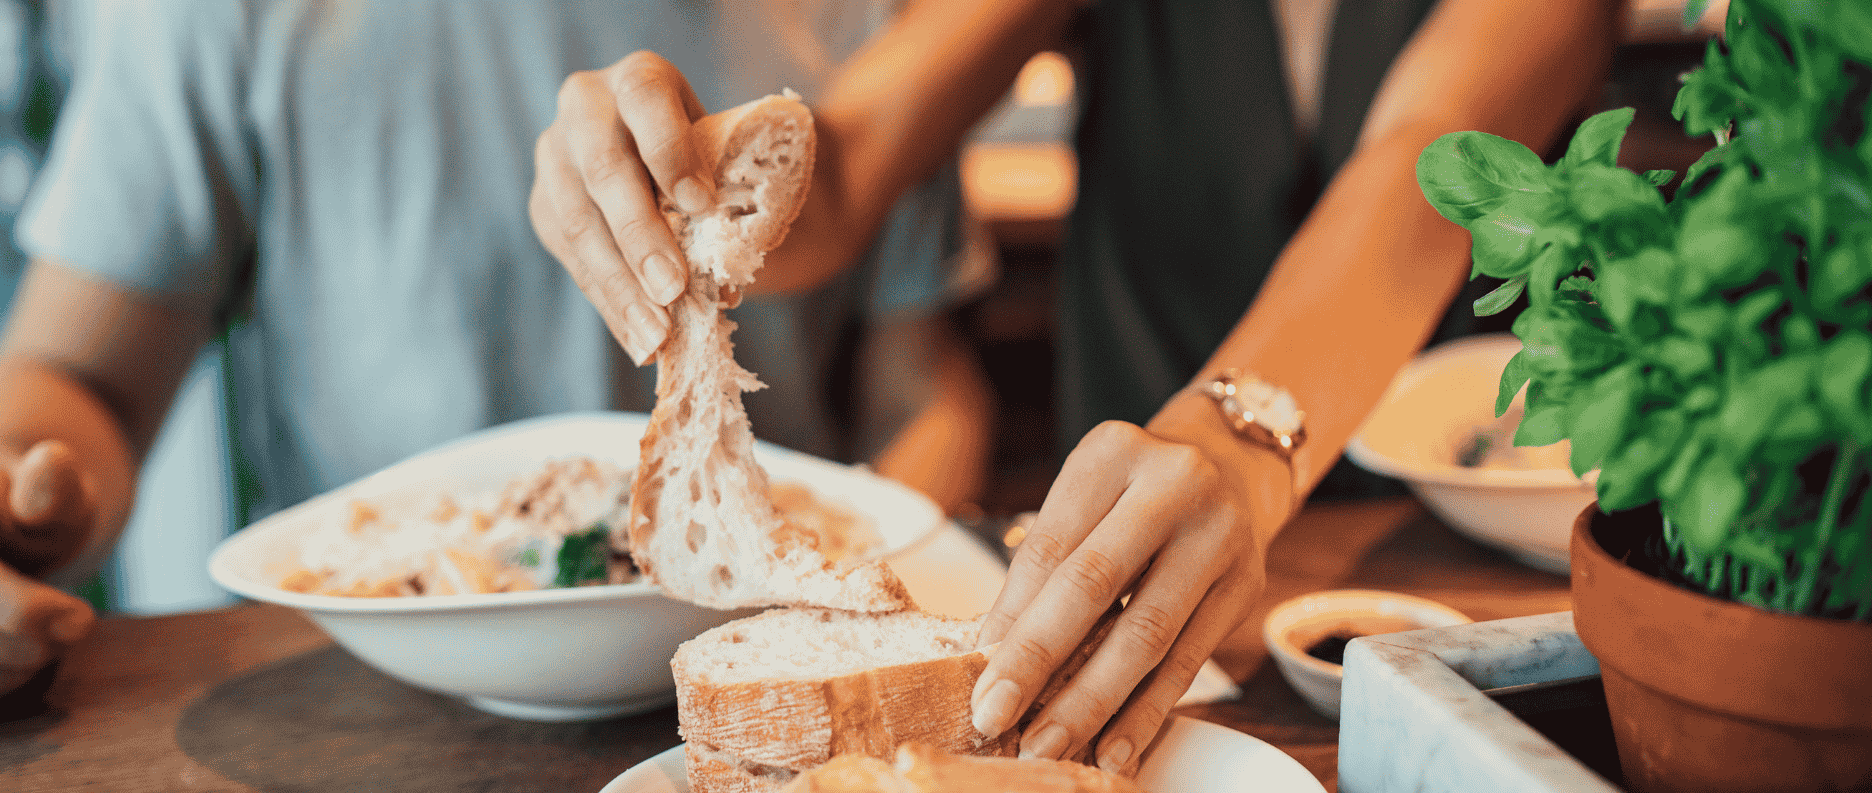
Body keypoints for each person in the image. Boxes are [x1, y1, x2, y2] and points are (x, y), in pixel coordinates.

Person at [532, 0, 1660, 777]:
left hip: (1430, 579)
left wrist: (1231, 445)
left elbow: (1418, 181)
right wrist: (685, 154)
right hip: (1107, 575)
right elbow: (851, 161)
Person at [0, 0, 991, 709]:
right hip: (371, 691)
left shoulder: (875, 30)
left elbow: (919, 382)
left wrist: (882, 591)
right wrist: (1, 500)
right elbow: (75, 377)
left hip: (759, 664)